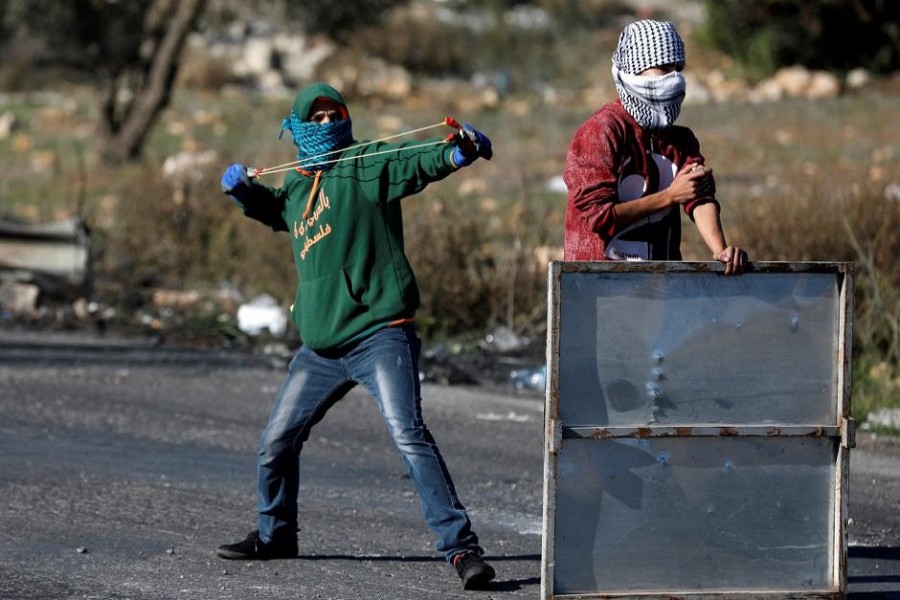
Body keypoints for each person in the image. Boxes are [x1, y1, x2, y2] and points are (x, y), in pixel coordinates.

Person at [215, 82, 496, 590]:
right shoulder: (298, 185)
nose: (327, 124)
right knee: (274, 443)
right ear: (296, 126)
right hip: (321, 346)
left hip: (379, 334)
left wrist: (459, 153)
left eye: (334, 115)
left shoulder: (367, 164)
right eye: (315, 117)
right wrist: (243, 193)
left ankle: (462, 550)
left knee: (409, 437)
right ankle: (275, 535)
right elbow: (279, 213)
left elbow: (417, 163)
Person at [563, 19, 748, 274]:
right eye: (662, 68)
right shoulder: (601, 132)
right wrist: (670, 196)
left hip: (660, 288)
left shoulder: (681, 140)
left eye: (677, 69)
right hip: (599, 286)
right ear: (634, 70)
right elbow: (598, 217)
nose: (673, 78)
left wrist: (720, 250)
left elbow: (699, 196)